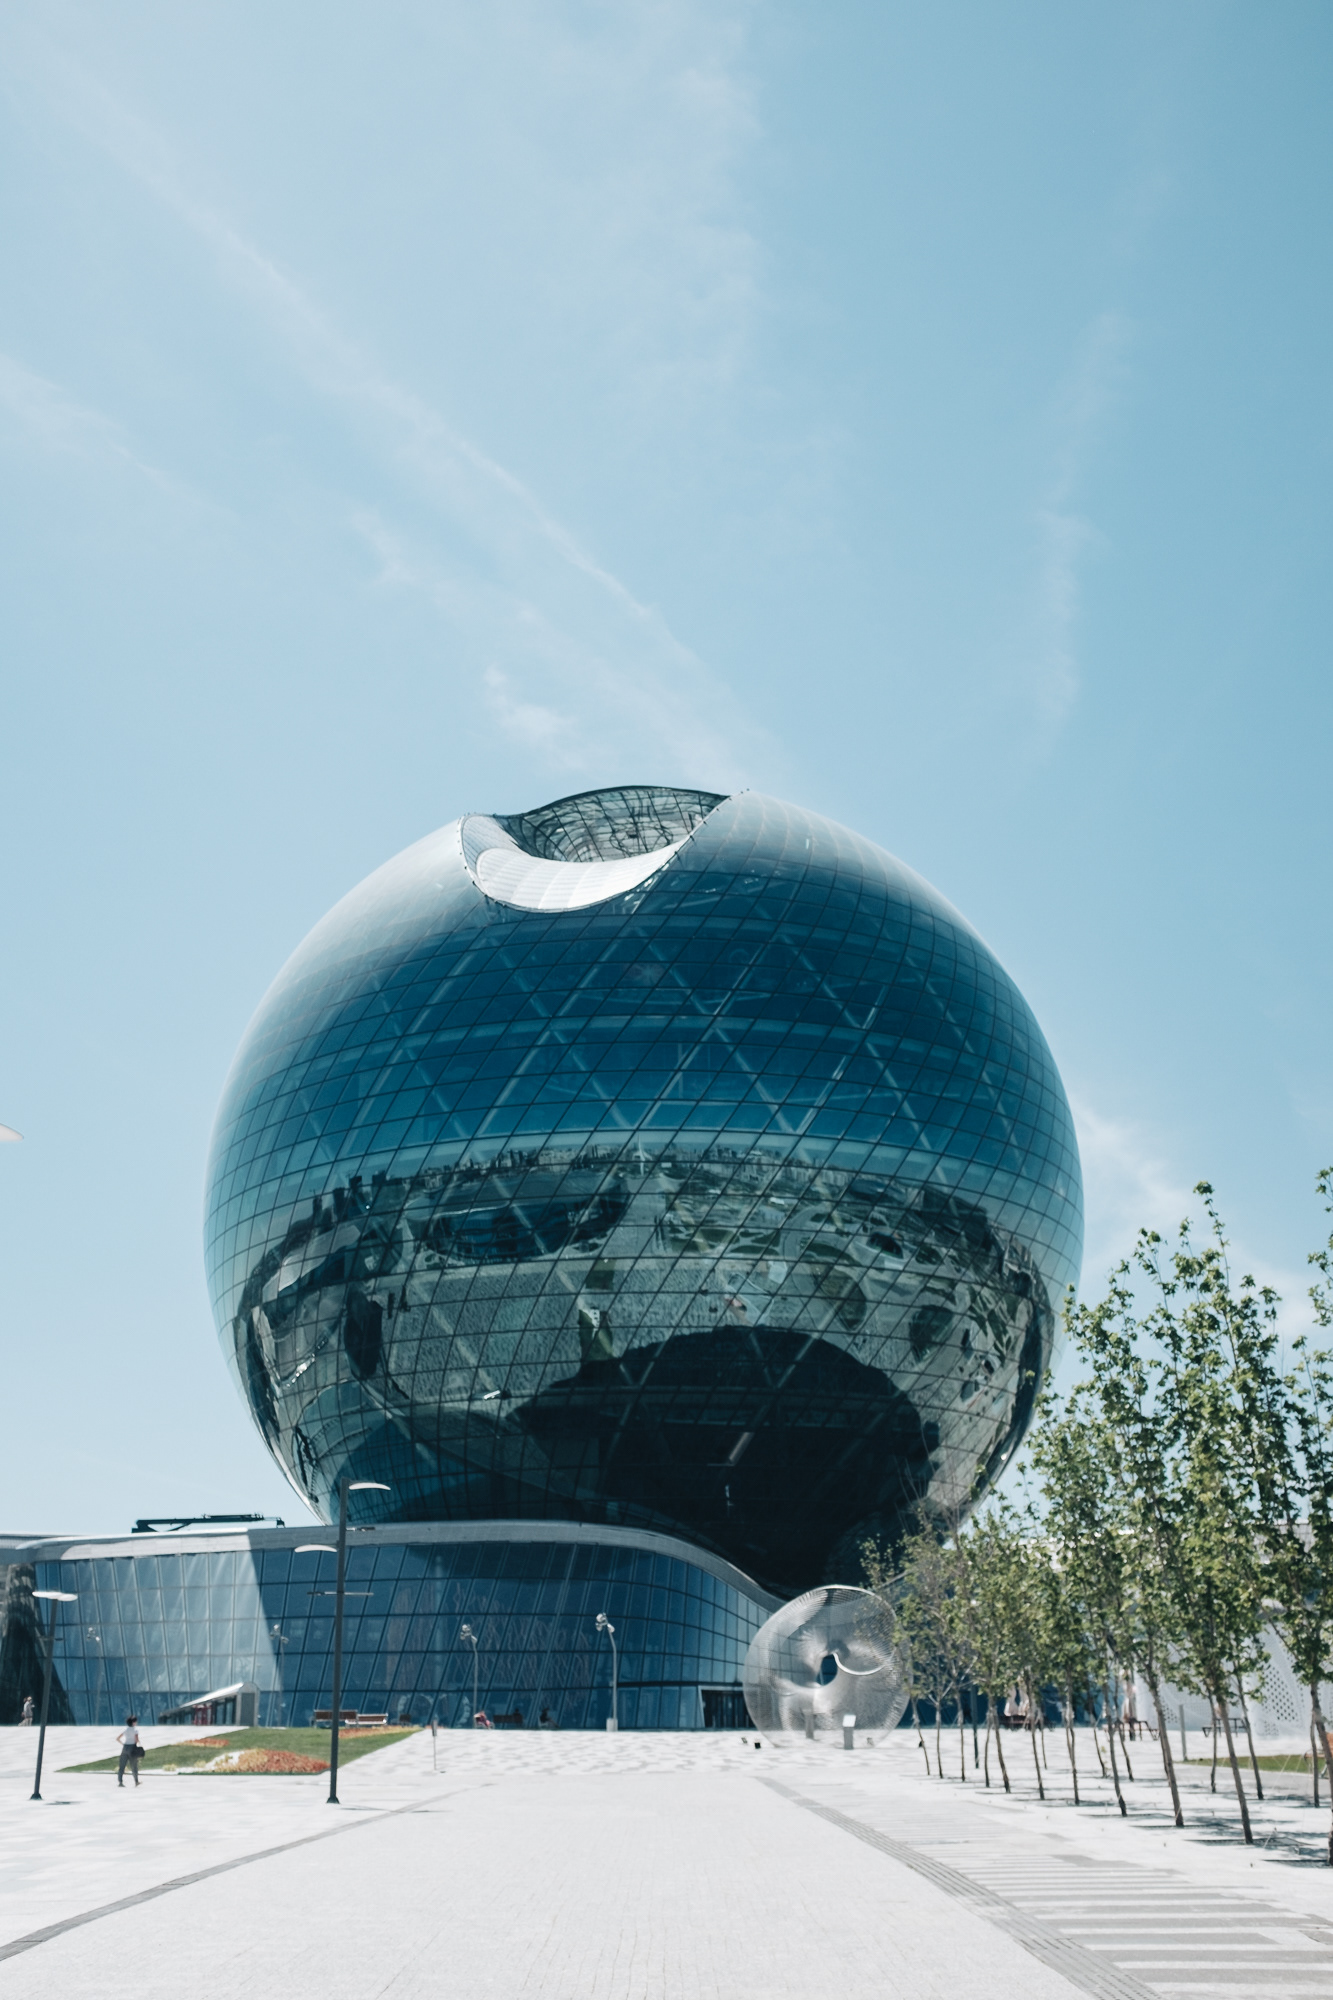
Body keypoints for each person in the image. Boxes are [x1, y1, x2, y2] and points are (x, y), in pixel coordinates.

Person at [117, 1716, 143, 1788]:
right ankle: (136, 1781)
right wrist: (140, 1745)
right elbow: (136, 1740)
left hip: (125, 1747)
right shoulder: (135, 1730)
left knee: (122, 1766)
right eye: (135, 1721)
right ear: (133, 1722)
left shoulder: (126, 1730)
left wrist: (123, 1744)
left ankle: (120, 1782)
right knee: (134, 1765)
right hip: (132, 1748)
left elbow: (118, 1738)